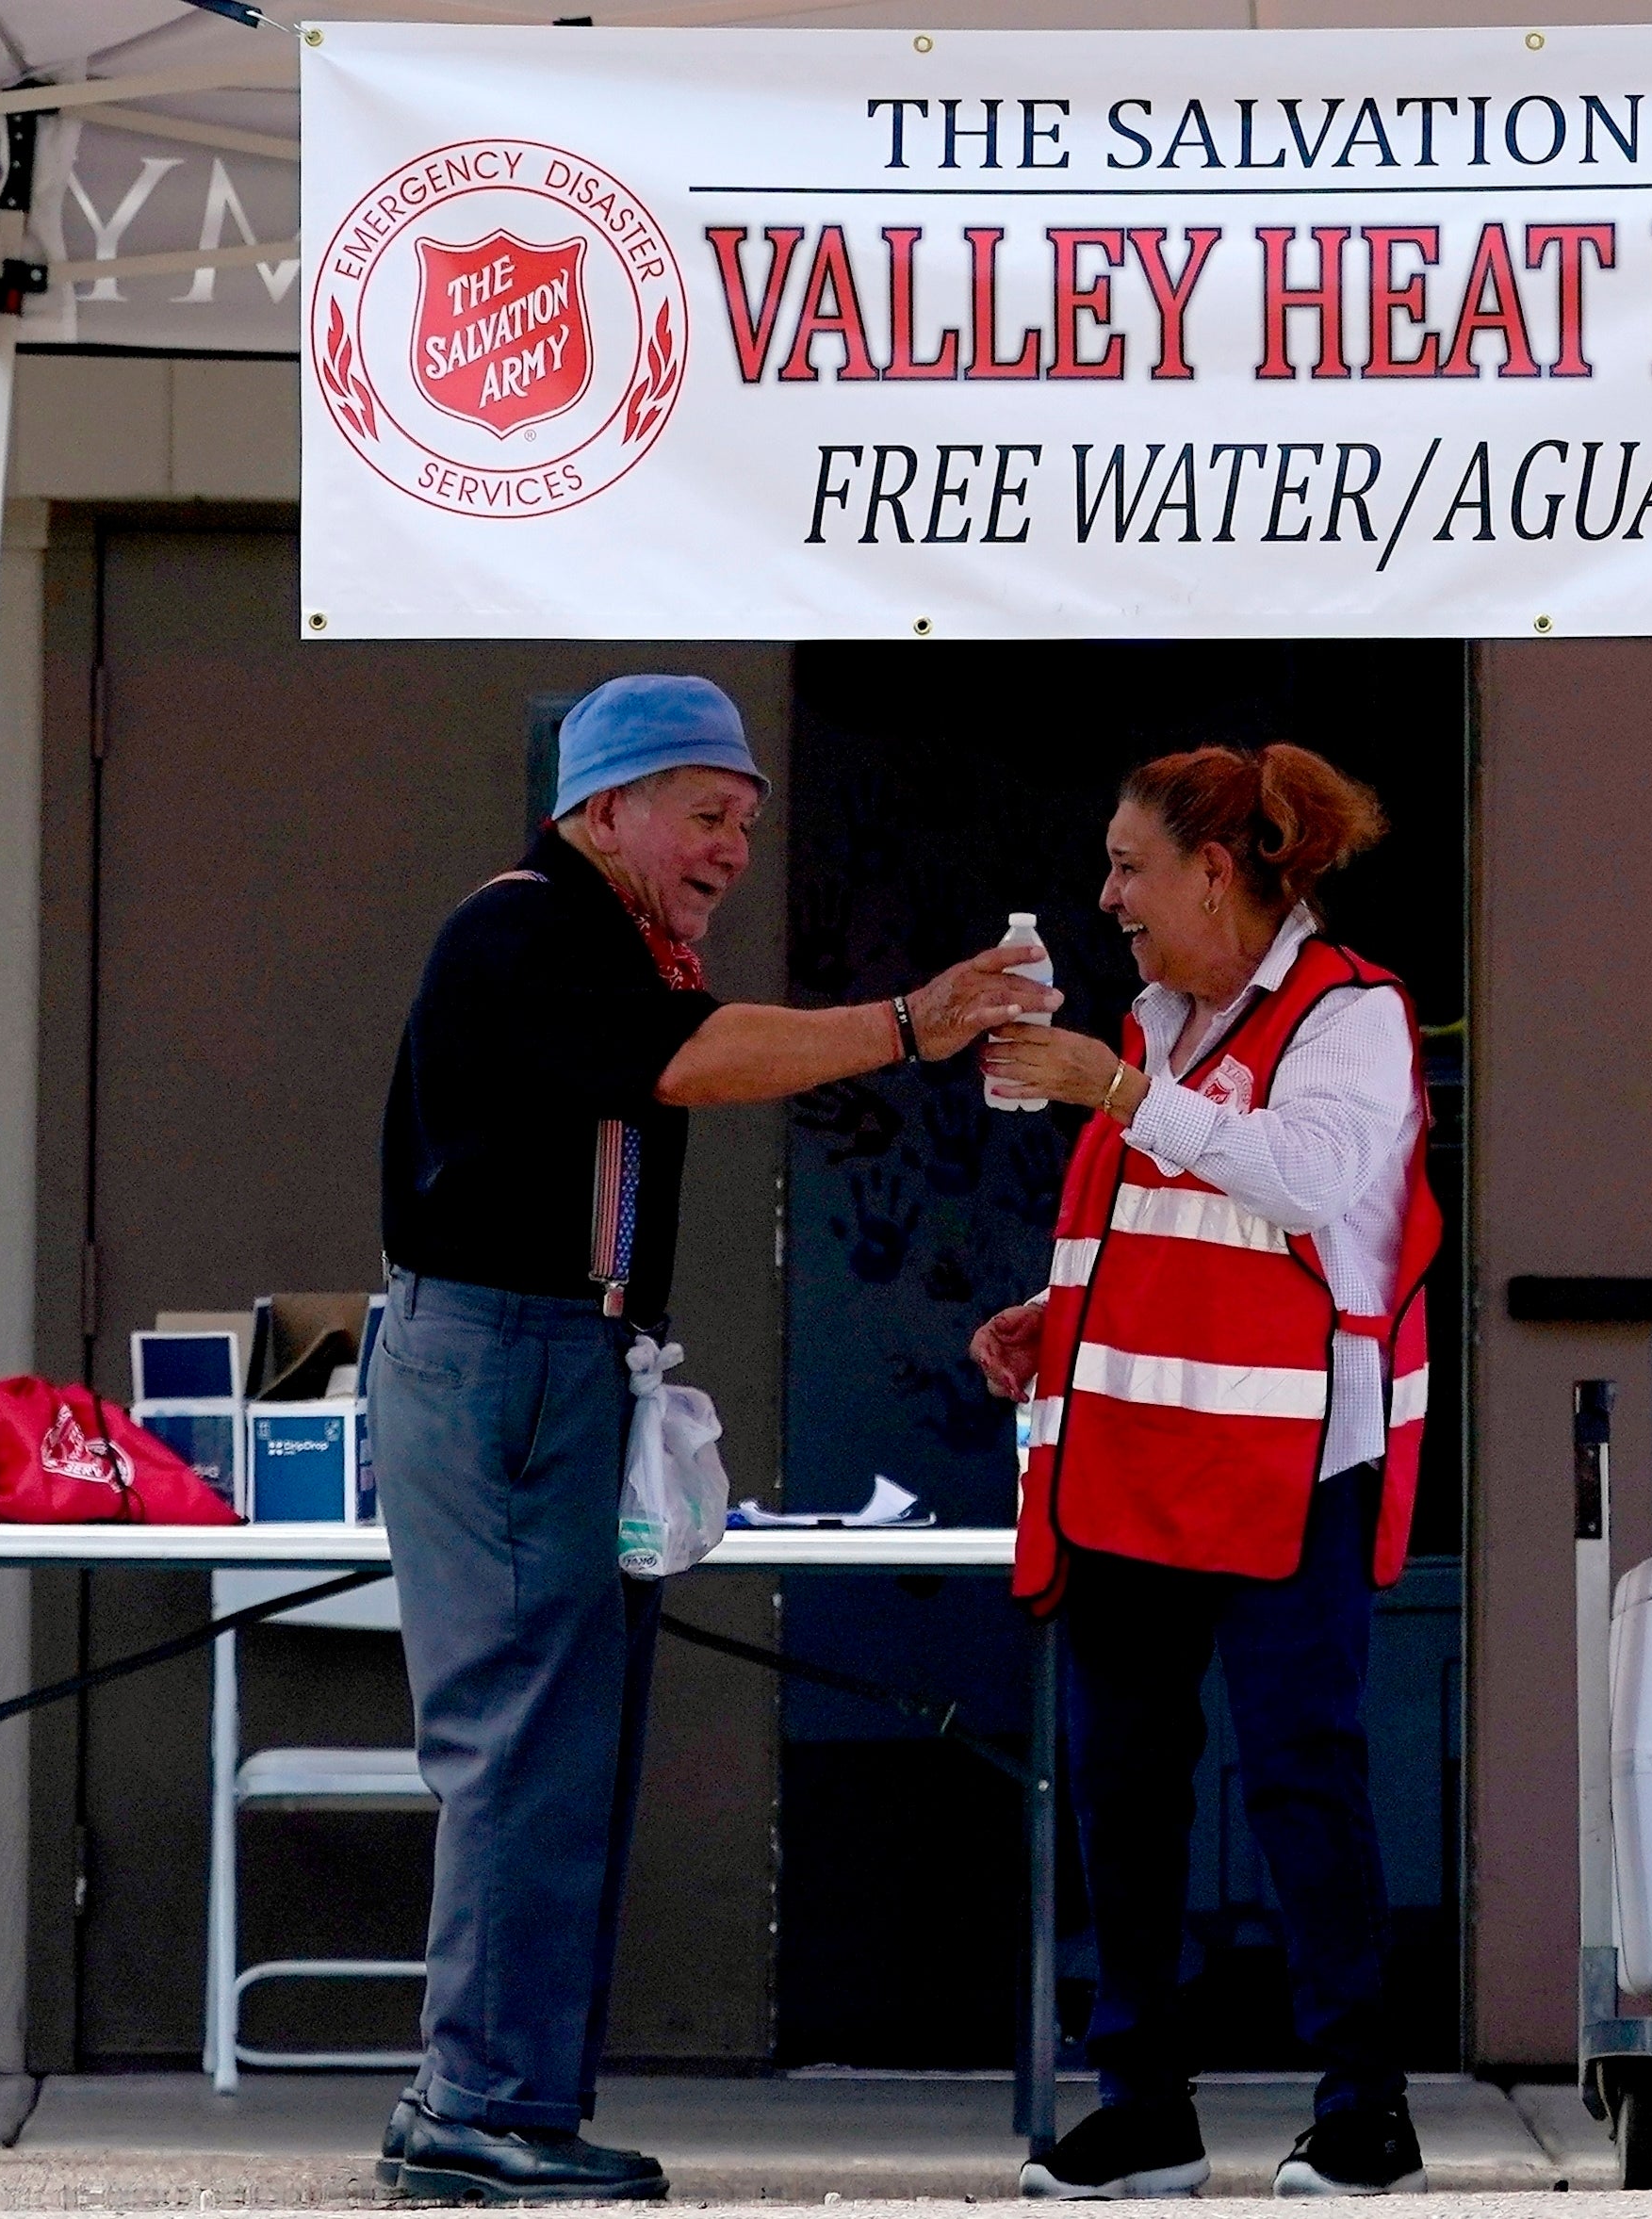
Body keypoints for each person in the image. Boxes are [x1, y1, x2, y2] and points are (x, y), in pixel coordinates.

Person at [371, 673, 1056, 2204]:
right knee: (525, 1744)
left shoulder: (600, 945)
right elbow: (690, 1061)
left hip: (557, 1362)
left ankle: (513, 2100)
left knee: (566, 1753)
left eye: (744, 820)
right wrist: (911, 1022)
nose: (732, 847)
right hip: (503, 1364)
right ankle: (477, 2100)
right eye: (705, 812)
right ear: (602, 807)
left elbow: (684, 1044)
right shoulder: (524, 927)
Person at [969, 743, 1441, 2201]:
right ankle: (1142, 2099)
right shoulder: (1157, 1017)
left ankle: (1363, 2105)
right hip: (1141, 1442)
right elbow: (1191, 1226)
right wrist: (1066, 1314)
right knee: (1126, 1782)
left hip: (1298, 1453)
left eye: (1128, 866)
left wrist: (1117, 1089)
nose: (1106, 895)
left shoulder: (1349, 1014)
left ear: (1216, 874)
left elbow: (1302, 1183)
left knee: (1302, 1773)